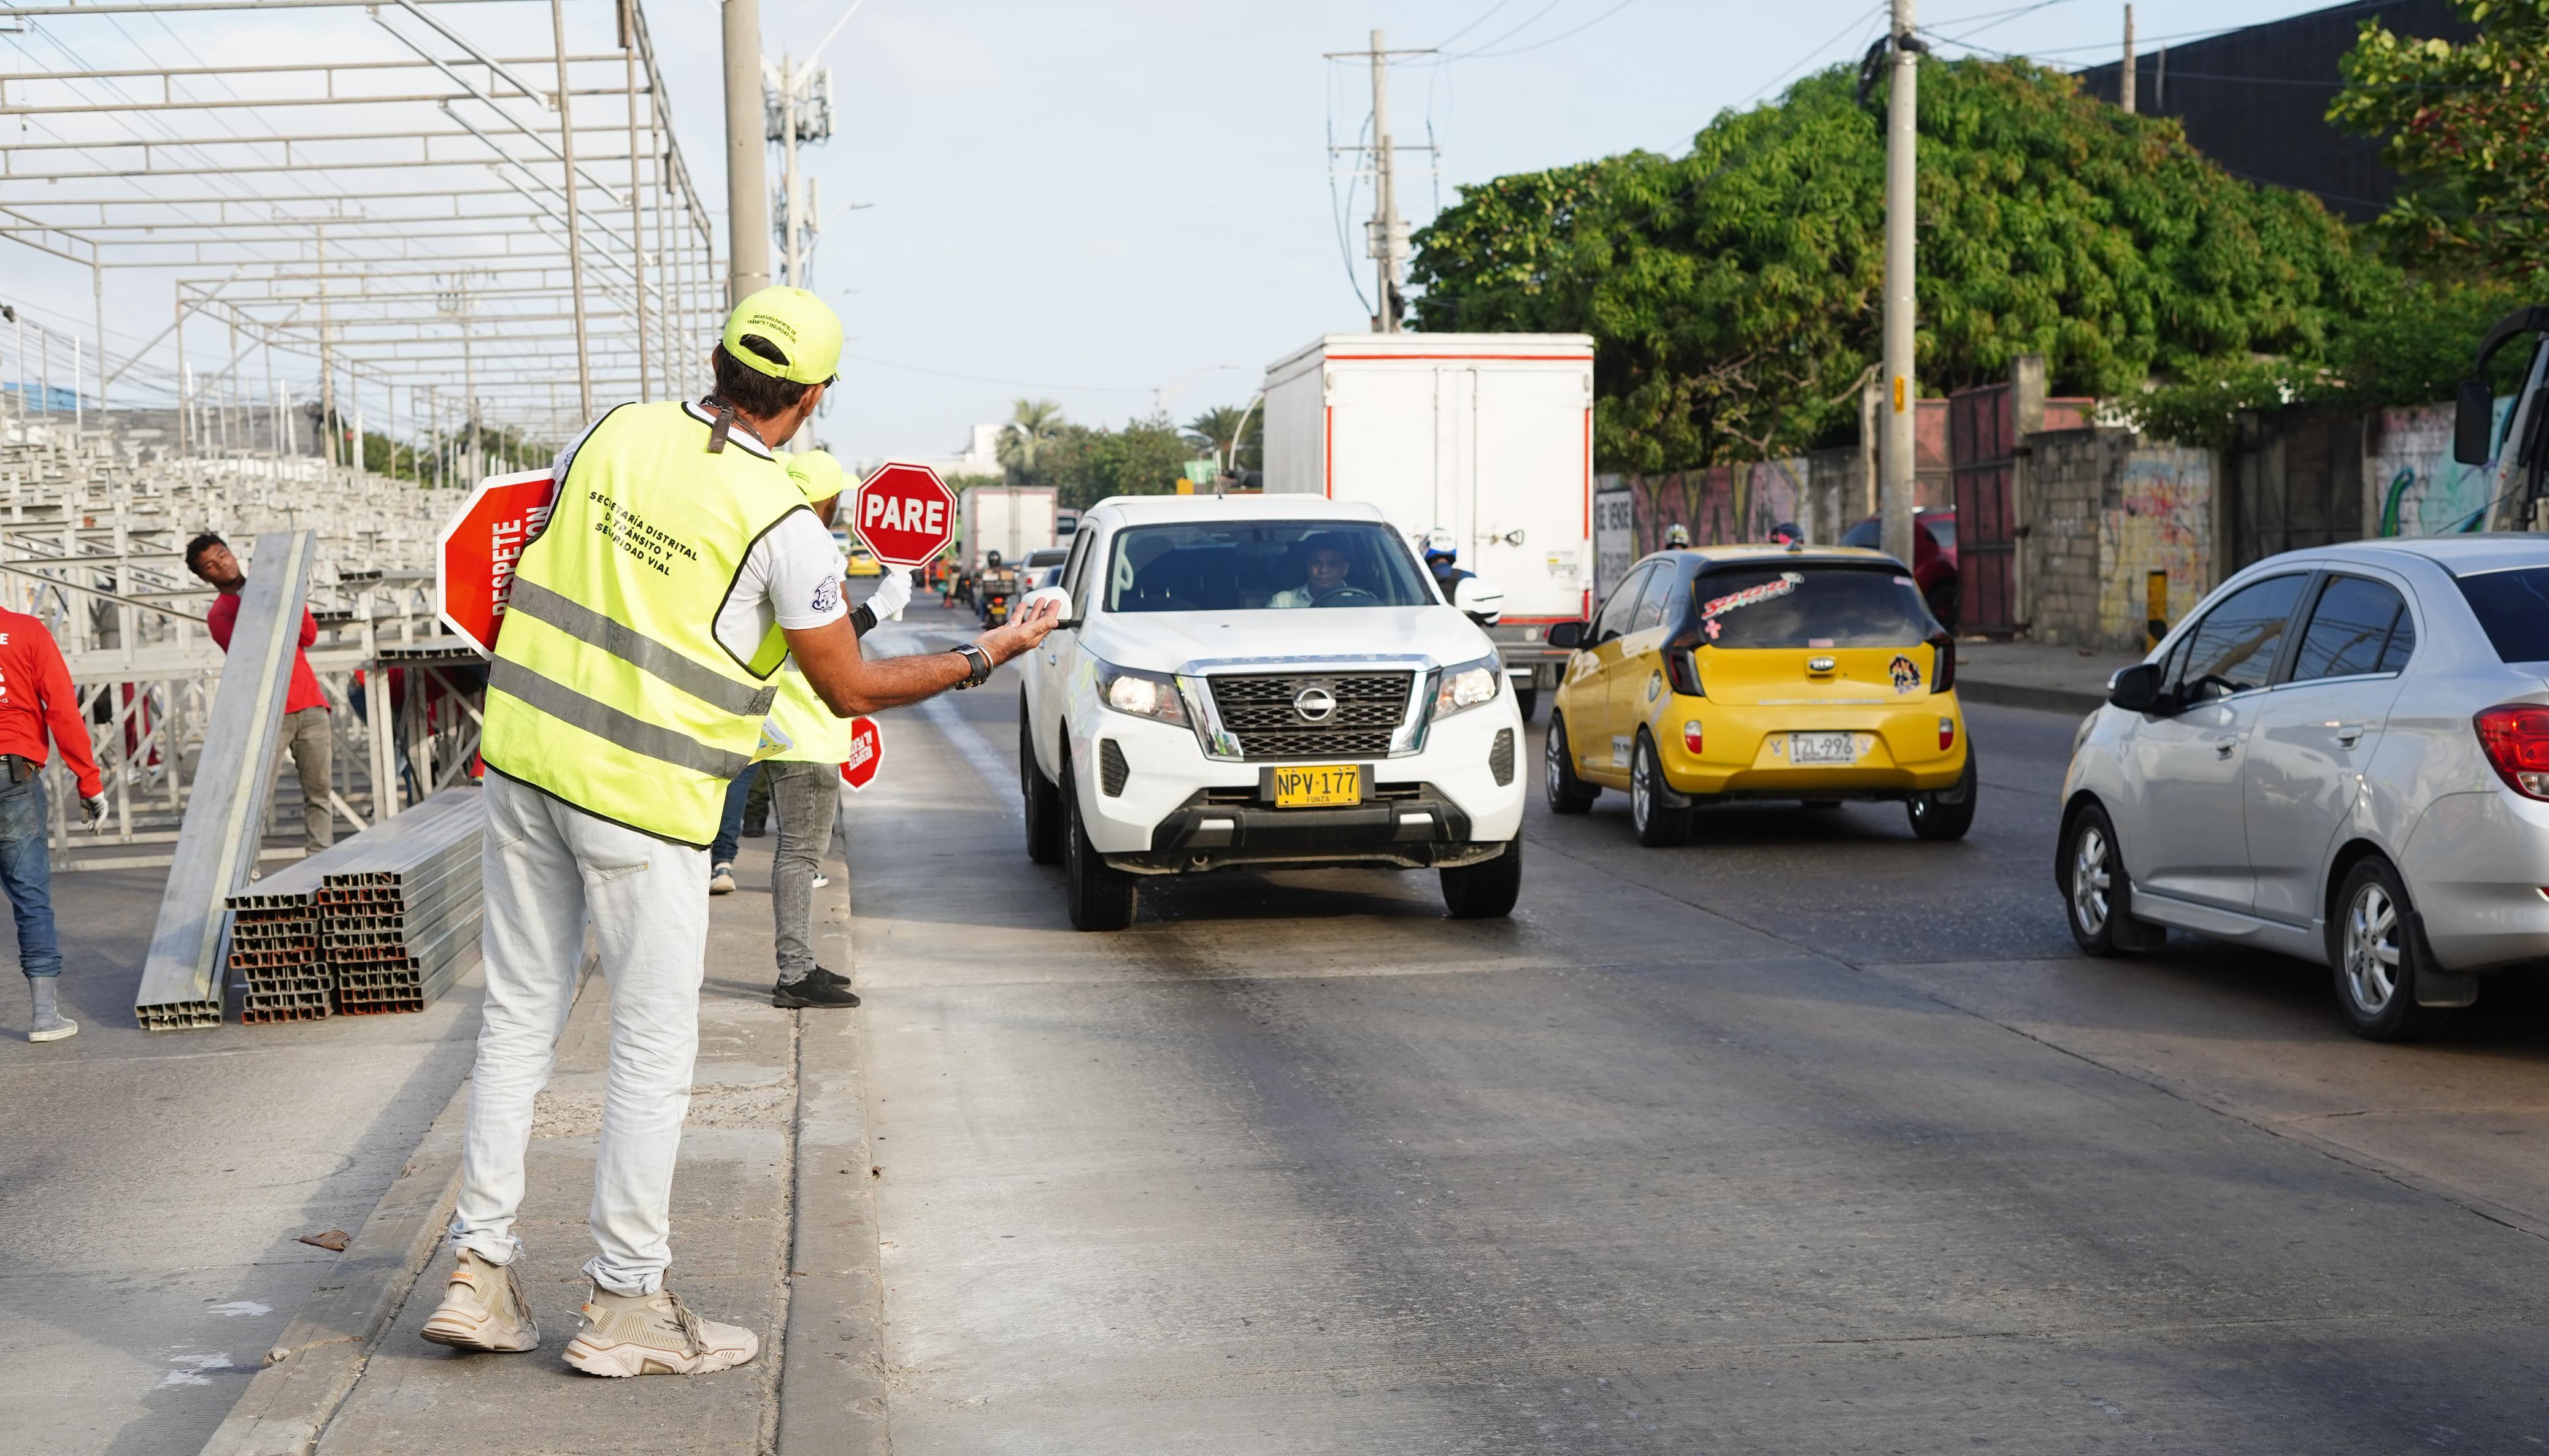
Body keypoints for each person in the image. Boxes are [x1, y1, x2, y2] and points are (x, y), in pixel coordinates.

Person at [420, 286, 1058, 1379]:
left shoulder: (611, 430)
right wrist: (988, 652)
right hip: (643, 799)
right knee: (650, 1048)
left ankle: (478, 1274)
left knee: (519, 1018)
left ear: (717, 360)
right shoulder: (787, 527)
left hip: (523, 765)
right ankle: (624, 1298)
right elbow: (846, 680)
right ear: (811, 397)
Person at [758, 448, 910, 1009]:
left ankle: (800, 964)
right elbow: (825, 647)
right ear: (824, 500)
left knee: (799, 853)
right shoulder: (806, 547)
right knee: (800, 855)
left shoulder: (774, 537)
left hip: (789, 721)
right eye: (838, 497)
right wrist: (877, 610)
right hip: (805, 724)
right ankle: (795, 976)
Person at [185, 534, 334, 854]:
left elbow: (308, 635)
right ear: (204, 577)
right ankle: (245, 869)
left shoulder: (274, 591)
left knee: (319, 793)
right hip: (269, 711)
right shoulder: (221, 614)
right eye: (209, 565)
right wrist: (272, 602)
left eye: (222, 555)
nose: (220, 564)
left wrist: (289, 597)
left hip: (309, 702)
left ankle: (321, 861)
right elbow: (253, 655)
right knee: (257, 798)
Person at [0, 605, 104, 1043]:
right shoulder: (26, 630)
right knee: (30, 897)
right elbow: (62, 707)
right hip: (13, 773)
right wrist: (89, 781)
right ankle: (44, 1017)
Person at [1270, 537, 1356, 608]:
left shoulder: (1362, 602)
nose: (1323, 570)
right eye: (1317, 564)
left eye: (1332, 564)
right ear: (1308, 566)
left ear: (1345, 569)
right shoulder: (1284, 602)